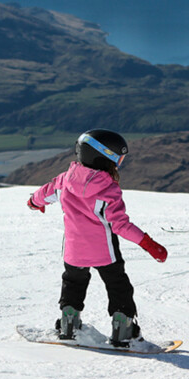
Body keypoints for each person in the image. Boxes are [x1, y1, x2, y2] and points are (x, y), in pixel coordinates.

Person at [27, 129, 168, 346]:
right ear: (102, 157)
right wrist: (148, 244)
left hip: (74, 250)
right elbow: (120, 225)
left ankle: (69, 325)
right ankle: (124, 331)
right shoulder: (108, 190)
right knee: (118, 284)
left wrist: (34, 203)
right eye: (117, 159)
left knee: (73, 282)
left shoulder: (64, 181)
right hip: (104, 251)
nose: (119, 165)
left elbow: (43, 194)